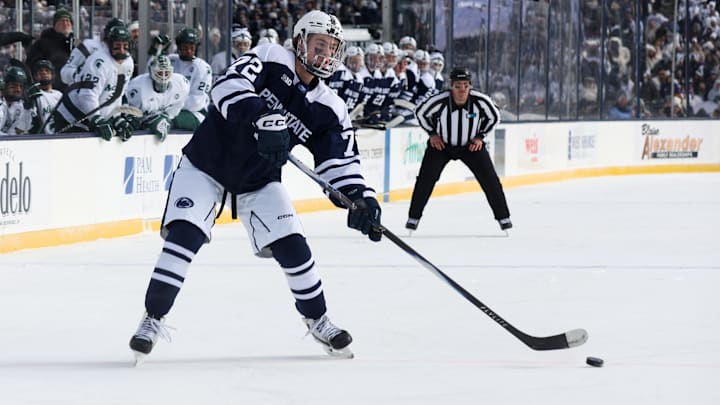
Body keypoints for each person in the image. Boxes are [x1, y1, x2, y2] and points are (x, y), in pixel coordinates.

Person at [128, 10, 381, 361]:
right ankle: (152, 318)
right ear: (299, 41)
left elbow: (338, 161)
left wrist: (359, 198)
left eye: (332, 46)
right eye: (319, 43)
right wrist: (262, 116)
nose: (326, 52)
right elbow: (226, 86)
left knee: (294, 247)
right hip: (207, 164)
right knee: (185, 236)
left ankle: (317, 318)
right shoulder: (270, 57)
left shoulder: (329, 107)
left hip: (259, 180)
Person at [406, 67, 511, 232]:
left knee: (490, 181)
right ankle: (413, 218)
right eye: (458, 86)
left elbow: (495, 117)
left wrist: (480, 136)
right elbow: (420, 113)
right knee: (425, 180)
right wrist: (432, 134)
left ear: (470, 86)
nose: (462, 90)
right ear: (451, 86)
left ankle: (504, 218)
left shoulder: (480, 101)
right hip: (441, 146)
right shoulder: (439, 100)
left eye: (465, 85)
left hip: (470, 146)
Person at [51, 25, 134, 139]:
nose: (122, 51)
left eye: (125, 46)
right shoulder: (99, 62)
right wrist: (96, 118)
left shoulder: (129, 63)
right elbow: (87, 95)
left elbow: (117, 94)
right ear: (109, 45)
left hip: (90, 117)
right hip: (71, 116)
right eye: (117, 47)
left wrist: (115, 117)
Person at [124, 55, 190, 141]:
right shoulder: (138, 88)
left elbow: (175, 109)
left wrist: (165, 117)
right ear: (151, 72)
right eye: (159, 73)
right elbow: (129, 113)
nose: (163, 77)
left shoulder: (181, 84)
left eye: (166, 73)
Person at [163, 27, 213, 130]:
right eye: (185, 48)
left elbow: (196, 102)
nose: (189, 51)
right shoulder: (170, 60)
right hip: (168, 109)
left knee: (164, 122)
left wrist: (169, 104)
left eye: (192, 48)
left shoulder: (202, 68)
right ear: (179, 47)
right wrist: (157, 53)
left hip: (195, 114)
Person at [61, 18, 127, 87]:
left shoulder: (126, 56)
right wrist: (80, 75)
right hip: (82, 93)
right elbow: (64, 73)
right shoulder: (88, 47)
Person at [26, 8, 75, 93]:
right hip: (50, 92)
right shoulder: (42, 44)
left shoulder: (75, 45)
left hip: (71, 91)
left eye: (68, 21)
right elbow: (32, 66)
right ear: (55, 24)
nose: (65, 23)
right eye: (61, 21)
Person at [27, 59, 63, 133]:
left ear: (52, 75)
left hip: (60, 135)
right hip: (42, 137)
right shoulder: (34, 94)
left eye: (47, 70)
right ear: (36, 76)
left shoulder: (59, 95)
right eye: (40, 71)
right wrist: (29, 99)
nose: (44, 73)